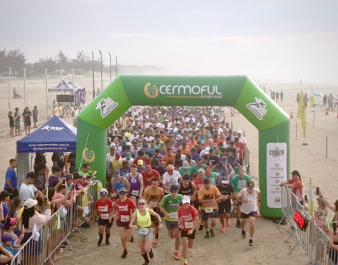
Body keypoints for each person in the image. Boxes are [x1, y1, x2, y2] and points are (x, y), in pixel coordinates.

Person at [129, 198, 162, 265]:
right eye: (139, 204)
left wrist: (160, 223)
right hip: (140, 230)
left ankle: (150, 250)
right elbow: (130, 224)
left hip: (148, 229)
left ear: (145, 204)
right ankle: (146, 261)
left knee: (146, 248)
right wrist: (133, 226)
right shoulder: (136, 212)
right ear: (137, 205)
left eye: (143, 204)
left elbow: (157, 215)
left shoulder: (148, 210)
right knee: (142, 249)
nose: (141, 205)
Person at [159, 184, 183, 260]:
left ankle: (176, 251)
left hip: (177, 220)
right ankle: (176, 236)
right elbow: (160, 206)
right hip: (168, 219)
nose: (173, 193)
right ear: (170, 192)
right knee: (171, 236)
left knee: (177, 236)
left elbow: (186, 205)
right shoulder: (166, 198)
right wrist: (166, 213)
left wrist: (181, 211)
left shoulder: (181, 197)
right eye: (172, 192)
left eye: (175, 192)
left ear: (177, 191)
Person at [114, 187, 136, 259]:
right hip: (120, 221)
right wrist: (115, 215)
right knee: (122, 237)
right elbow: (117, 210)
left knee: (128, 239)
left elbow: (135, 210)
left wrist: (132, 216)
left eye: (124, 193)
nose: (122, 195)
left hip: (128, 221)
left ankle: (131, 236)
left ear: (126, 194)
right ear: (119, 194)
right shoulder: (117, 201)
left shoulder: (130, 201)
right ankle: (125, 250)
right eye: (121, 193)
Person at [237, 181, 261, 246]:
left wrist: (259, 201)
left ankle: (251, 238)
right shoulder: (243, 191)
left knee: (252, 223)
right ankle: (243, 229)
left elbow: (259, 193)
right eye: (249, 187)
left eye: (252, 187)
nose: (251, 189)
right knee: (243, 222)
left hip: (252, 209)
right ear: (247, 187)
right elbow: (237, 198)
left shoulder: (256, 190)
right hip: (244, 209)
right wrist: (242, 200)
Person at [178, 196, 200, 265]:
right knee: (184, 247)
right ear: (182, 203)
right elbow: (179, 218)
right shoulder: (180, 209)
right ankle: (185, 261)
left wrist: (192, 229)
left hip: (191, 228)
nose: (186, 204)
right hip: (184, 229)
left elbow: (197, 222)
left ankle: (188, 240)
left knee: (190, 246)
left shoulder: (193, 209)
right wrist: (179, 222)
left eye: (187, 203)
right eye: (185, 203)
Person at [143, 178, 164, 245]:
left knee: (157, 223)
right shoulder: (147, 190)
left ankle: (156, 238)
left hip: (156, 208)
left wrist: (160, 204)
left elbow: (162, 198)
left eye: (156, 184)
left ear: (158, 184)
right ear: (151, 184)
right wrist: (147, 205)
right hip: (149, 208)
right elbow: (144, 199)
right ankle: (146, 237)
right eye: (153, 184)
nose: (155, 185)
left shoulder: (161, 190)